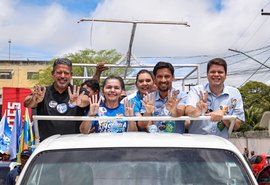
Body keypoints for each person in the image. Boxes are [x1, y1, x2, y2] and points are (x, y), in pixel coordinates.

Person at [24, 58, 90, 141]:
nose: (62, 76)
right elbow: (27, 103)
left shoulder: (78, 91)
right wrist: (34, 100)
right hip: (47, 145)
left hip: (73, 144)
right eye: (59, 72)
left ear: (71, 75)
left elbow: (86, 100)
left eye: (66, 73)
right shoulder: (43, 91)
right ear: (53, 74)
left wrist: (79, 102)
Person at [185, 58, 245, 139]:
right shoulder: (196, 90)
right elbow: (188, 111)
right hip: (196, 144)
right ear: (207, 74)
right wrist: (197, 111)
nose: (216, 74)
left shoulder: (234, 93)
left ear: (226, 75)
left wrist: (224, 116)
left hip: (221, 145)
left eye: (220, 72)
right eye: (212, 72)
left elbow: (237, 126)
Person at [138, 61, 187, 133]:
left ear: (173, 77)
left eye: (167, 76)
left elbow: (180, 112)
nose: (163, 80)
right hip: (156, 141)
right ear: (154, 79)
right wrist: (148, 113)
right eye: (159, 76)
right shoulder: (148, 98)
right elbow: (142, 125)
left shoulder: (181, 95)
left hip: (176, 141)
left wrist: (174, 111)